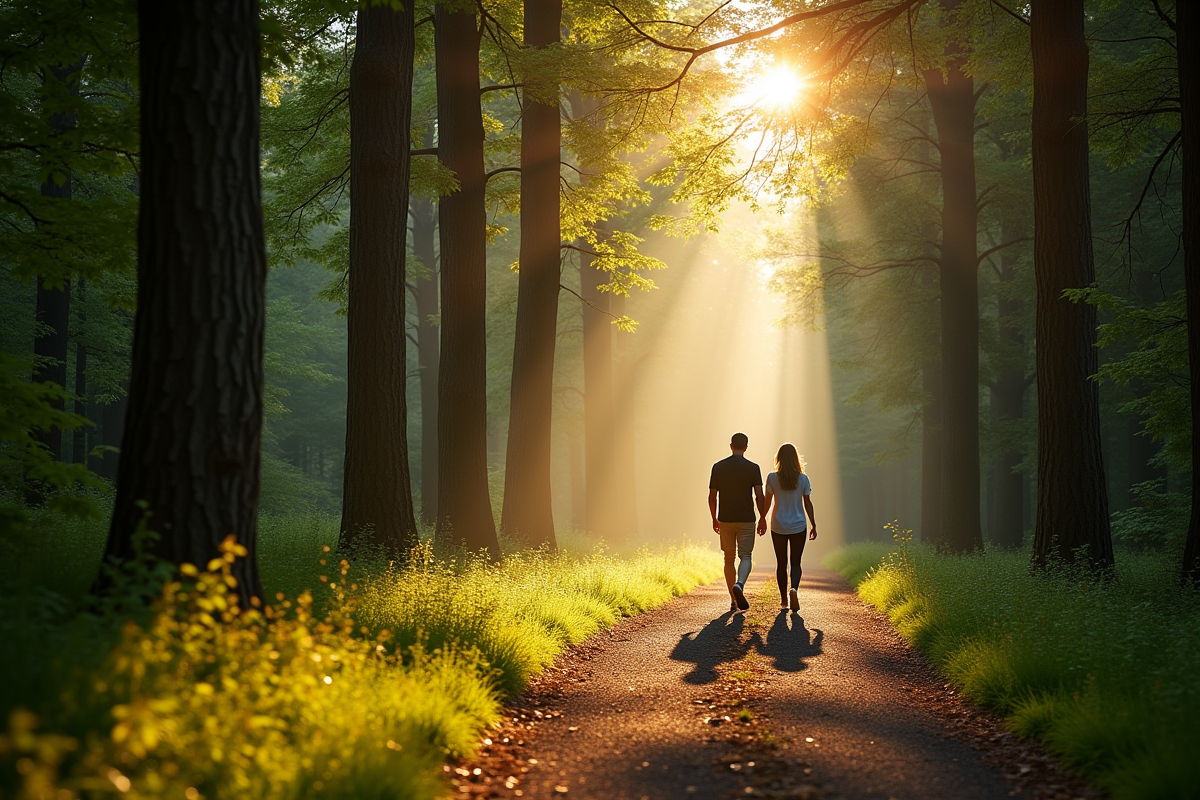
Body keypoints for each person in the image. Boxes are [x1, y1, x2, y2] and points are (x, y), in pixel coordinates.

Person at [708, 432, 767, 612]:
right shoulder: (753, 468)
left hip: (725, 518)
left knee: (728, 558)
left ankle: (733, 600)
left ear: (731, 446)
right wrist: (763, 517)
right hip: (747, 519)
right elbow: (759, 495)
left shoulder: (718, 467)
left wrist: (714, 518)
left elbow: (712, 497)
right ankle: (740, 584)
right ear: (746, 447)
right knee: (746, 556)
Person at [763, 443, 817, 613]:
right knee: (795, 562)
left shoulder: (772, 478)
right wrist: (814, 524)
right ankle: (793, 589)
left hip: (778, 524)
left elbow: (768, 501)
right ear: (795, 459)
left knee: (781, 563)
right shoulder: (803, 479)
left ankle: (784, 599)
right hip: (798, 525)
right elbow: (807, 503)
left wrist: (762, 518)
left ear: (778, 458)